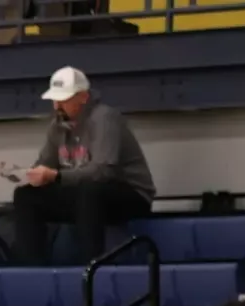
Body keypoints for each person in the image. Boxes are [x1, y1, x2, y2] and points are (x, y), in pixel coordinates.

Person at [9, 67, 154, 267]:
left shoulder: (104, 118)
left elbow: (103, 172)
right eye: (55, 99)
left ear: (83, 97)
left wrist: (56, 176)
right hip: (83, 193)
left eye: (64, 99)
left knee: (89, 192)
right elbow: (46, 164)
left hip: (130, 193)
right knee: (26, 195)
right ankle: (30, 269)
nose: (57, 105)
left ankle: (91, 269)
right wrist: (23, 174)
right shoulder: (57, 126)